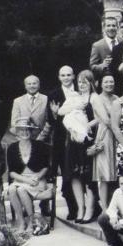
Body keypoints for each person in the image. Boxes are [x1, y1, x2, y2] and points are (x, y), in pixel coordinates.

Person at [58, 69, 97, 224]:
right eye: (80, 82)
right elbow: (62, 112)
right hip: (73, 142)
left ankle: (90, 209)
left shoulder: (94, 98)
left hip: (88, 140)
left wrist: (87, 126)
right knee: (74, 175)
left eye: (85, 82)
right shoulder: (74, 97)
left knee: (88, 176)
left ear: (91, 83)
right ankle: (80, 208)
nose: (82, 85)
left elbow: (101, 118)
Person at [5, 118, 52, 233]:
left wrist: (37, 177)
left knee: (20, 189)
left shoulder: (40, 146)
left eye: (27, 130)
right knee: (12, 188)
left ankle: (31, 222)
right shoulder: (11, 148)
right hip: (21, 179)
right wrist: (26, 180)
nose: (24, 132)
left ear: (31, 132)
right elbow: (11, 172)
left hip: (37, 179)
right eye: (21, 130)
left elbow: (46, 166)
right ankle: (21, 221)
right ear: (17, 132)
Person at [48, 66, 79, 221]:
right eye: (63, 75)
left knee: (79, 174)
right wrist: (54, 113)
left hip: (79, 140)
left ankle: (88, 207)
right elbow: (51, 121)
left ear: (73, 76)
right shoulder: (53, 94)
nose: (66, 78)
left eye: (69, 75)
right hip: (62, 141)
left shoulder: (80, 90)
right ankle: (73, 208)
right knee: (66, 176)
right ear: (59, 77)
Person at [91, 74, 119, 214]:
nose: (109, 84)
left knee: (116, 173)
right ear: (100, 84)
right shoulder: (96, 98)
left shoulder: (117, 98)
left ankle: (116, 207)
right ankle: (104, 209)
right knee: (104, 174)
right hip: (105, 135)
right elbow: (106, 120)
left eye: (111, 81)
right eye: (106, 81)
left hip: (117, 136)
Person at [10, 75, 51, 143]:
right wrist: (22, 137)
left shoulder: (46, 99)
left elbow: (49, 121)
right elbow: (14, 123)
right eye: (29, 84)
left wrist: (40, 138)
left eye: (34, 83)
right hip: (23, 139)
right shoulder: (17, 101)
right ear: (25, 86)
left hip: (42, 140)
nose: (32, 86)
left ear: (39, 85)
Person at [89, 15, 123, 88]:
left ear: (117, 28)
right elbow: (92, 66)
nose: (111, 28)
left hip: (122, 82)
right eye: (108, 26)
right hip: (106, 84)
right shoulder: (97, 45)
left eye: (113, 25)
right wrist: (103, 65)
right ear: (104, 28)